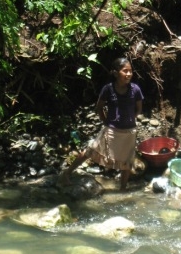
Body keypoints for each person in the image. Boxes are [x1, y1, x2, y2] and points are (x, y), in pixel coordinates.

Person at [58, 57, 144, 191]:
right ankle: (67, 173)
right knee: (90, 151)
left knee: (127, 162)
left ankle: (122, 189)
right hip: (111, 130)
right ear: (115, 73)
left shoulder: (135, 89)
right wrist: (106, 122)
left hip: (129, 132)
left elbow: (139, 108)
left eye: (130, 71)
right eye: (125, 71)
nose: (128, 74)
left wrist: (132, 118)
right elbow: (99, 107)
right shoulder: (108, 89)